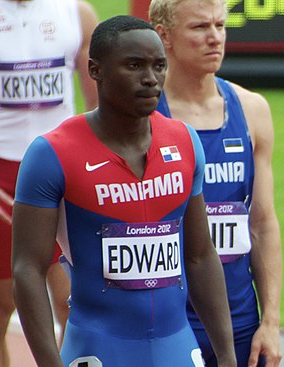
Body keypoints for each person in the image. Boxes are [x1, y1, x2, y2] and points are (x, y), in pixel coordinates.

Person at [12, 15, 237, 367]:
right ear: (95, 69)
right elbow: (27, 268)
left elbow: (200, 255)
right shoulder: (51, 154)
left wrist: (226, 355)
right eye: (134, 65)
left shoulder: (185, 142)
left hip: (177, 346)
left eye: (158, 65)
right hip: (98, 348)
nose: (150, 78)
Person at [149, 0, 283, 366]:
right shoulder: (142, 116)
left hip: (239, 319)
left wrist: (270, 321)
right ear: (164, 36)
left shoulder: (252, 109)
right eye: (199, 28)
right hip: (165, 322)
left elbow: (263, 224)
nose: (215, 38)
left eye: (220, 26)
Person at [0, 0, 98, 365]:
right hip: (0, 174)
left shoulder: (75, 12)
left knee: (76, 308)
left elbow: (101, 99)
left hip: (61, 170)